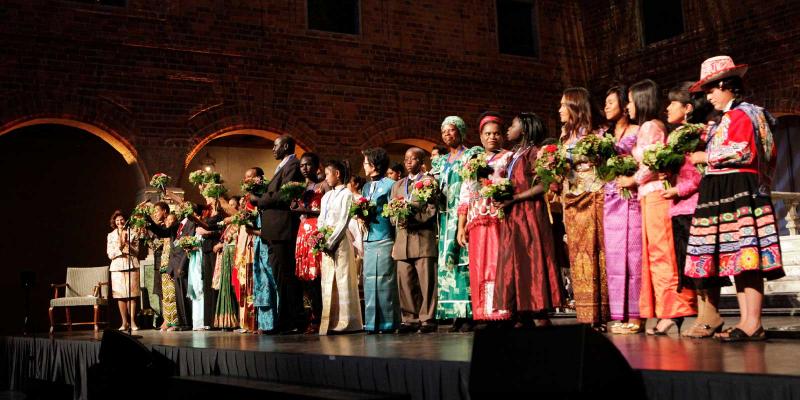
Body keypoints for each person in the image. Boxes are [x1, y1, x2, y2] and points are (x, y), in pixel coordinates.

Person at [686, 56, 784, 341]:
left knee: (747, 255)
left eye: (713, 88)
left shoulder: (743, 114)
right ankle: (747, 322)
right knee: (740, 258)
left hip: (738, 186)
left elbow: (743, 151)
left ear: (728, 85)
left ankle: (752, 321)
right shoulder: (728, 117)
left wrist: (706, 156)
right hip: (726, 187)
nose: (709, 95)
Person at [619, 79, 696, 335]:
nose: (627, 106)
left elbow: (652, 164)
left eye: (629, 100)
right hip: (647, 197)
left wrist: (631, 179)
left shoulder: (651, 126)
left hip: (656, 197)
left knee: (662, 253)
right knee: (654, 254)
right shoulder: (648, 126)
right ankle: (665, 310)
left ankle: (674, 310)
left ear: (640, 100)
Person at [663, 81, 728, 338]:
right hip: (678, 209)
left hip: (696, 205)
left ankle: (711, 313)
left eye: (672, 104)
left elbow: (702, 173)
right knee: (689, 265)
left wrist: (679, 190)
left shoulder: (701, 134)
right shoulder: (676, 136)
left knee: (703, 261)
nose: (667, 108)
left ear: (688, 108)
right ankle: (703, 314)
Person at [493, 113, 564, 327]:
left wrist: (514, 198)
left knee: (531, 259)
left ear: (524, 129)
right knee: (514, 260)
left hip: (529, 213)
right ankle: (520, 310)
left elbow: (544, 184)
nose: (508, 129)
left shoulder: (534, 153)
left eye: (512, 125)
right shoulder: (514, 155)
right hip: (513, 214)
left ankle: (538, 308)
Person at [558, 88, 610, 330]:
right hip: (572, 201)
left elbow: (606, 171)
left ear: (575, 107)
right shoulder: (563, 138)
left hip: (594, 197)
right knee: (578, 257)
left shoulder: (597, 135)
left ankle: (603, 312)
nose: (559, 110)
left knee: (597, 253)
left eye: (563, 105)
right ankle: (585, 314)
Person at [456, 113, 512, 323]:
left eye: (496, 133)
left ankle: (501, 310)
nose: (492, 137)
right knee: (479, 266)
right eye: (487, 134)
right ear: (480, 137)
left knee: (498, 265)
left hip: (498, 218)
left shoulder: (509, 157)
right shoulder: (474, 161)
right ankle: (483, 314)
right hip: (476, 220)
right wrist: (461, 227)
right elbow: (465, 194)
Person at [252, 135, 306, 334]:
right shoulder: (282, 166)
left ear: (285, 146)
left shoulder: (293, 165)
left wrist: (260, 199)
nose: (273, 149)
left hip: (282, 228)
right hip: (272, 230)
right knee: (279, 277)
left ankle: (294, 320)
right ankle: (285, 319)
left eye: (275, 146)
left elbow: (284, 194)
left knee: (286, 276)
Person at [601, 86, 643, 335]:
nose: (606, 107)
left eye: (610, 102)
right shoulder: (604, 136)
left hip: (632, 197)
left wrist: (633, 177)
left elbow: (644, 160)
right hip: (611, 198)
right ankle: (620, 313)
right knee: (616, 259)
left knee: (634, 257)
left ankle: (637, 316)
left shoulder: (637, 131)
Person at [392, 147, 439, 334]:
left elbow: (432, 210)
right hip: (402, 239)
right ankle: (409, 319)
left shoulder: (428, 181)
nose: (408, 162)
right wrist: (397, 217)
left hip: (422, 238)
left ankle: (427, 319)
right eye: (406, 159)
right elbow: (390, 211)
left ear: (421, 162)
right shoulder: (398, 185)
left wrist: (413, 217)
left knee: (426, 282)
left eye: (412, 159)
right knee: (405, 282)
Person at [432, 116, 472, 332]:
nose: (447, 134)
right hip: (445, 215)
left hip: (462, 212)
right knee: (447, 264)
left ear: (461, 131)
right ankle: (453, 314)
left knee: (462, 261)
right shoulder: (440, 161)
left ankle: (467, 312)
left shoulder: (470, 155)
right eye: (444, 131)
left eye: (452, 130)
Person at [318, 160, 363, 334]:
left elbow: (344, 219)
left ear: (337, 174)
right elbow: (322, 218)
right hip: (327, 242)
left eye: (328, 174)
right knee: (328, 281)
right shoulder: (326, 196)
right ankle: (330, 321)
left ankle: (347, 321)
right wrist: (320, 238)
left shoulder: (346, 194)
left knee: (343, 279)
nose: (325, 177)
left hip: (340, 242)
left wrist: (331, 241)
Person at [361, 147, 400, 333]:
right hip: (368, 238)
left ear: (374, 165)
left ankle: (388, 323)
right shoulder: (366, 187)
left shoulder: (391, 185)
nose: (363, 166)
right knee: (369, 280)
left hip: (384, 237)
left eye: (366, 162)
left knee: (384, 281)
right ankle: (371, 323)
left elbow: (395, 215)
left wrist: (396, 242)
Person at [294, 152, 329, 334]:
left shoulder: (324, 185)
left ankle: (322, 316)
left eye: (308, 165)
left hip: (316, 229)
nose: (304, 168)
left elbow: (329, 210)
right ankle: (312, 315)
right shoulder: (299, 187)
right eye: (301, 165)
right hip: (303, 230)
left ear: (317, 166)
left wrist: (305, 209)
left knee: (318, 276)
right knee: (306, 279)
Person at [107, 210, 141, 331]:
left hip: (131, 265)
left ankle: (132, 322)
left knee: (132, 296)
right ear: (114, 222)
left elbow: (137, 252)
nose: (119, 222)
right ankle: (124, 322)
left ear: (125, 221)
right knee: (120, 296)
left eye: (121, 220)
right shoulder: (110, 235)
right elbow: (110, 254)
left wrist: (127, 243)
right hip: (117, 267)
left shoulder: (133, 233)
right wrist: (120, 248)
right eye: (117, 220)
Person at [213, 197, 240, 329]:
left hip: (235, 256)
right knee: (226, 288)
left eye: (232, 206)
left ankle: (237, 319)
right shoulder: (228, 224)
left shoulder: (239, 222)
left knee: (235, 287)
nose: (228, 208)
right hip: (226, 257)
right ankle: (228, 321)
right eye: (227, 206)